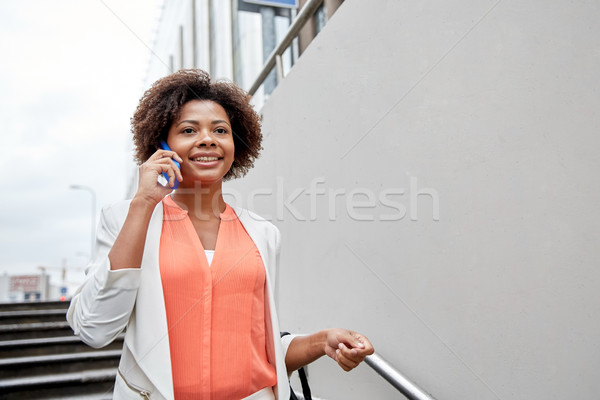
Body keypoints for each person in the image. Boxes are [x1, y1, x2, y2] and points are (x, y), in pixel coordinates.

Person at [67, 69, 373, 400]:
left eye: (220, 130)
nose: (208, 139)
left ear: (234, 144)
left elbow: (257, 348)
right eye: (188, 130)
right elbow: (93, 328)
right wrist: (143, 203)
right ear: (162, 144)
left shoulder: (262, 234)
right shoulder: (128, 219)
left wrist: (321, 341)